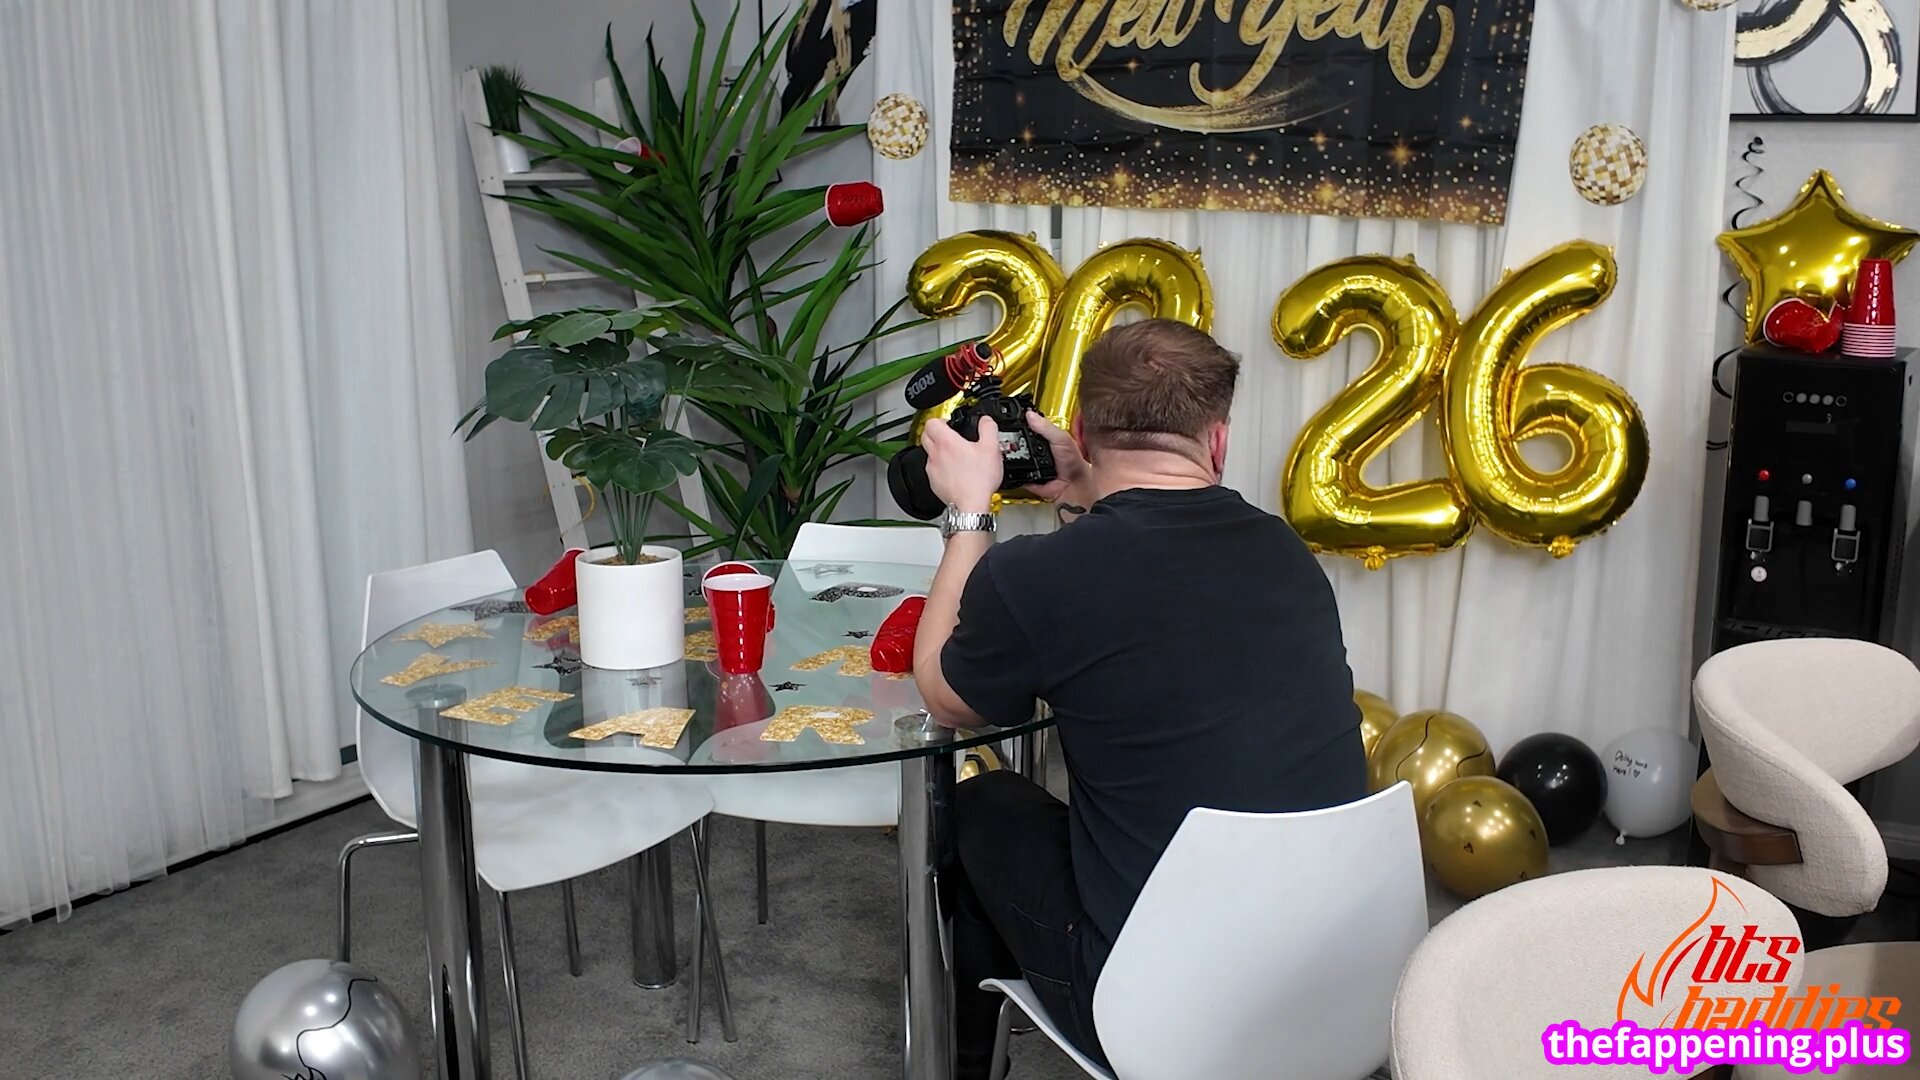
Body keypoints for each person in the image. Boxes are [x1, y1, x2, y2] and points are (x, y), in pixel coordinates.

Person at [910, 319, 1367, 1079]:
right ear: (1217, 441)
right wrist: (1079, 493)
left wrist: (969, 512)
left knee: (982, 801)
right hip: (1333, 979)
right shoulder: (1285, 551)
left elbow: (945, 697)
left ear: (1083, 429)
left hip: (1163, 1011)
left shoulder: (1040, 577)